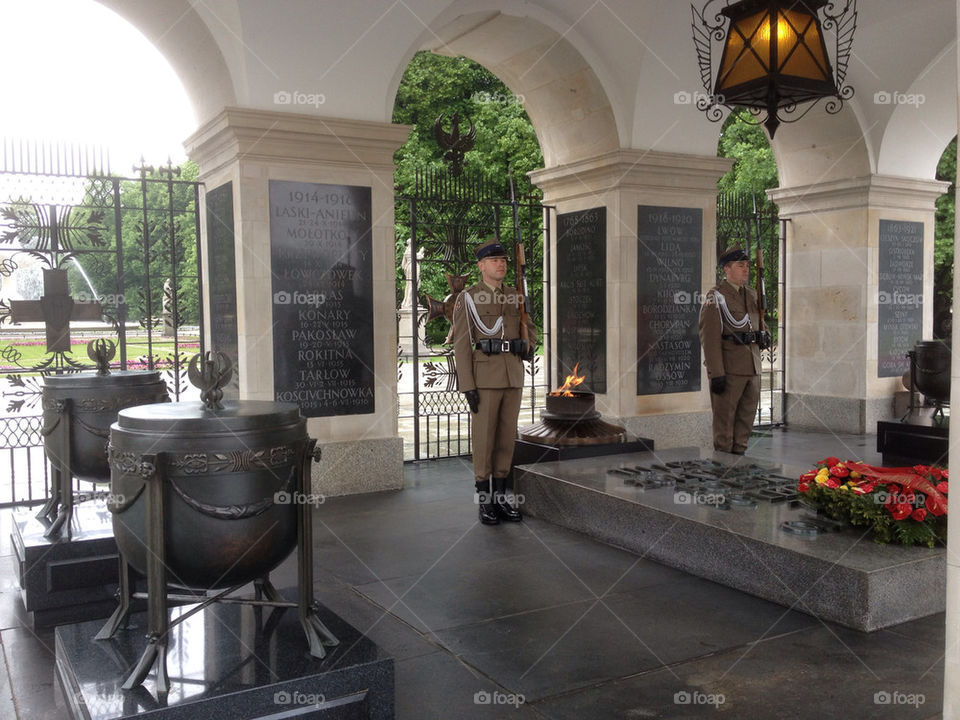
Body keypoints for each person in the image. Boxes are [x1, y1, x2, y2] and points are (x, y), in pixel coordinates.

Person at [452, 237, 537, 525]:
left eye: (503, 261)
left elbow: (530, 329)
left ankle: (501, 497)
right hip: (485, 379)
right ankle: (484, 500)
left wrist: (529, 345)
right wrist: (467, 385)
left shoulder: (515, 295)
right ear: (481, 266)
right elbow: (462, 345)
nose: (501, 264)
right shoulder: (469, 298)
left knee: (505, 440)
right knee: (484, 439)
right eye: (494, 260)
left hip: (512, 375)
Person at [698, 245, 770, 455]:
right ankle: (723, 467)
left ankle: (740, 461)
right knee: (725, 425)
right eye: (740, 266)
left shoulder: (752, 294)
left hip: (752, 368)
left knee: (745, 422)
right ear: (727, 269)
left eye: (747, 265)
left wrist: (765, 334)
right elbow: (709, 338)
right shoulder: (716, 297)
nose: (746, 270)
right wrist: (716, 373)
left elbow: (759, 325)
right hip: (730, 370)